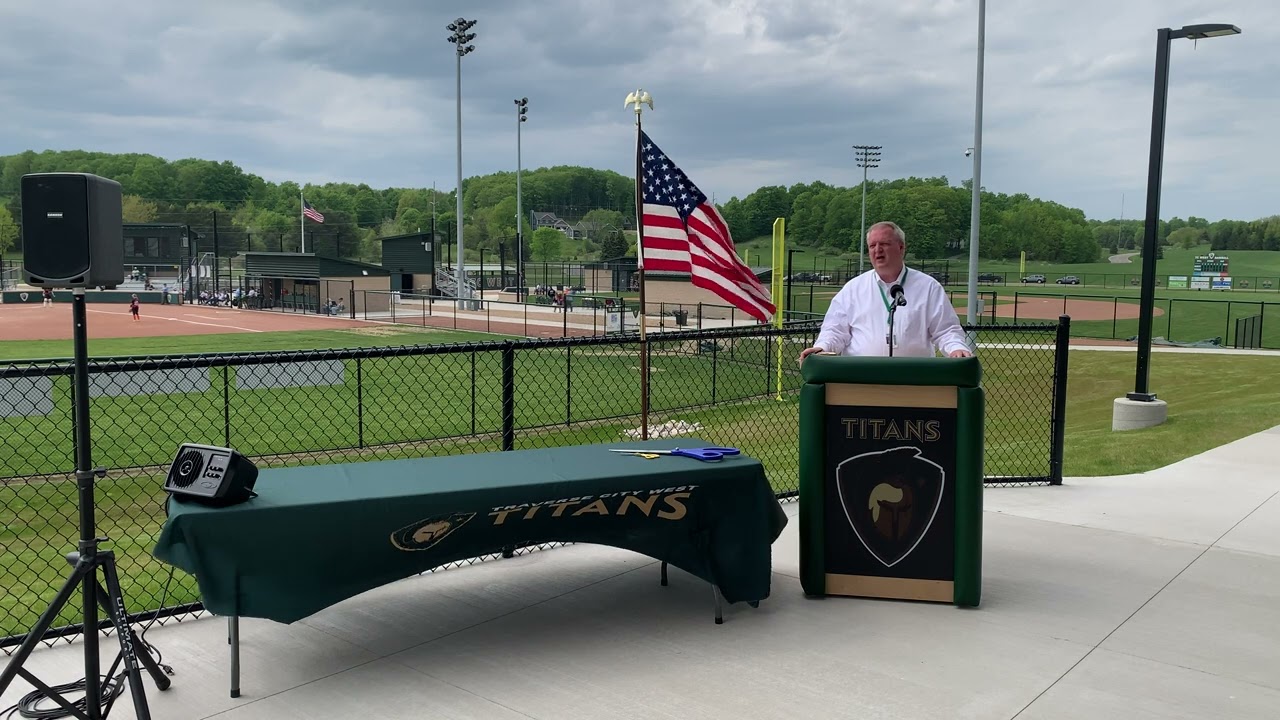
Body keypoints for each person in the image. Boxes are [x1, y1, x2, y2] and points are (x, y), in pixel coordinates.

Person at [799, 221, 973, 362]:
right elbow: (835, 331)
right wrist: (823, 347)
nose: (877, 250)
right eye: (872, 245)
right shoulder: (853, 289)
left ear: (901, 248)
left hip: (915, 382)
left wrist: (957, 349)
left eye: (884, 244)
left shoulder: (928, 287)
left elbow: (946, 330)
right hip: (861, 383)